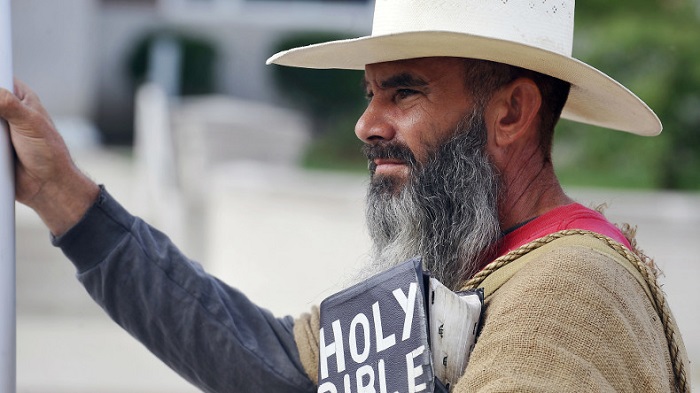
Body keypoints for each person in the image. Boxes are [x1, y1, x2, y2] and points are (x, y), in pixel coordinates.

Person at [0, 0, 690, 392]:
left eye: (405, 91)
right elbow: (271, 359)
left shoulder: (572, 286)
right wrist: (66, 196)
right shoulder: (475, 264)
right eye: (370, 93)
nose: (367, 124)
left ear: (510, 112)